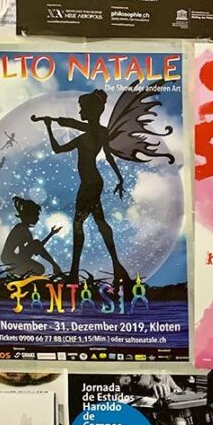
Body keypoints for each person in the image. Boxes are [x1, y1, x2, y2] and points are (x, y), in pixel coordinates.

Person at [36, 90, 130, 283]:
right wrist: (120, 178)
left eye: (82, 109)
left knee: (79, 224)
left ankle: (74, 274)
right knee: (100, 222)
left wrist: (49, 127)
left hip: (88, 184)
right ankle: (117, 269)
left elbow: (57, 148)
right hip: (95, 182)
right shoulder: (101, 132)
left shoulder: (83, 138)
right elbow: (108, 156)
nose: (80, 112)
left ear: (91, 110)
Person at [1, 196, 63, 276]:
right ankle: (15, 270)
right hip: (9, 258)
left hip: (14, 258)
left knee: (40, 269)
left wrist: (51, 234)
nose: (37, 218)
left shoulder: (25, 231)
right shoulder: (21, 229)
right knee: (36, 246)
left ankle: (17, 271)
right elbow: (34, 248)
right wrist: (53, 264)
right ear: (28, 215)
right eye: (36, 215)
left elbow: (37, 248)